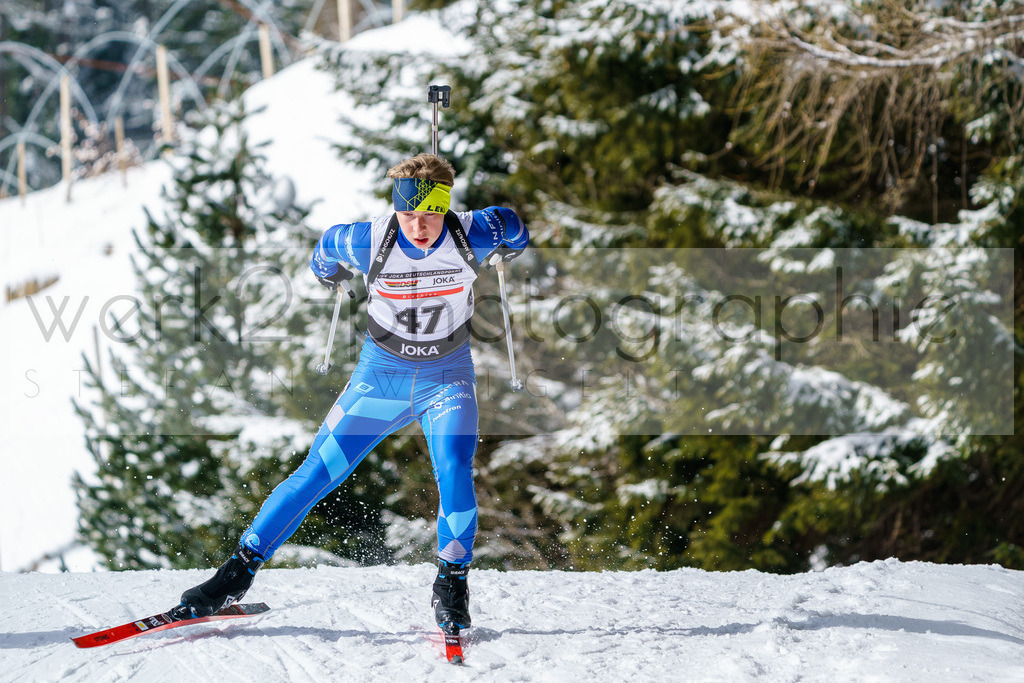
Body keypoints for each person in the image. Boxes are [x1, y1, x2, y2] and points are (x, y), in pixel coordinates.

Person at [173, 154, 528, 635]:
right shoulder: (368, 240)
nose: (419, 227)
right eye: (409, 216)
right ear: (395, 211)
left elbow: (511, 224)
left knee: (453, 470)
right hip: (382, 378)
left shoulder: (472, 233)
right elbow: (325, 247)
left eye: (430, 215)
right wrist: (327, 274)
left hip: (446, 378)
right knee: (318, 471)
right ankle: (234, 575)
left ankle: (452, 582)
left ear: (447, 208)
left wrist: (515, 246)